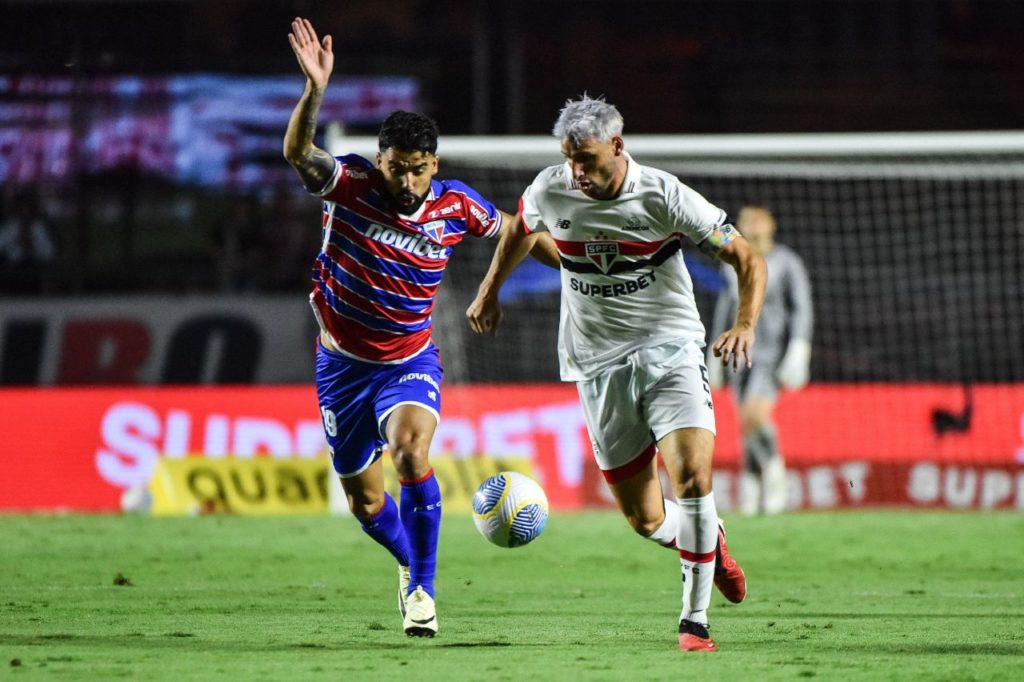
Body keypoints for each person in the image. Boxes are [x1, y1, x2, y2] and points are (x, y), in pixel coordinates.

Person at [283, 17, 557, 638]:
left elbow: (517, 230)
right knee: (367, 503)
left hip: (409, 360)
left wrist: (575, 272)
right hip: (340, 366)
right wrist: (314, 92)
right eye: (397, 168)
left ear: (433, 164)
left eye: (418, 169)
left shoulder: (455, 203)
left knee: (411, 452)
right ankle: (411, 567)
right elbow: (299, 154)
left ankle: (424, 594)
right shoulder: (349, 184)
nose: (407, 184)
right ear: (379, 159)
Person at [466, 95, 767, 652]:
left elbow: (747, 258)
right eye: (569, 159)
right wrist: (489, 292)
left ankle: (694, 622)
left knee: (694, 479)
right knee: (646, 520)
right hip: (596, 363)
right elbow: (520, 229)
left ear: (618, 146)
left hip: (670, 350)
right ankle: (709, 543)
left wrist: (746, 323)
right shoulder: (550, 188)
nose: (577, 172)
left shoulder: (664, 194)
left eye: (587, 159)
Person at [707, 205, 813, 515]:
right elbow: (724, 309)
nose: (751, 227)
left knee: (755, 415)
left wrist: (799, 346)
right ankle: (752, 487)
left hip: (771, 352)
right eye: (745, 222)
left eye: (757, 221)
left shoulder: (786, 262)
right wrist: (713, 353)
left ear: (771, 225)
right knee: (745, 423)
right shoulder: (732, 262)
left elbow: (801, 306)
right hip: (739, 352)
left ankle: (775, 471)